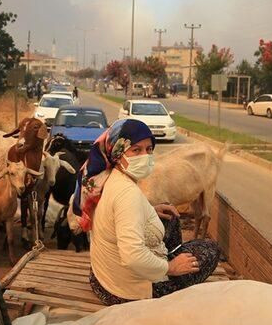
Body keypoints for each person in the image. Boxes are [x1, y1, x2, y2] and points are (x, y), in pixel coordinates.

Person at [72, 119, 221, 305]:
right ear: (118, 153)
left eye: (149, 149)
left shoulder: (105, 179)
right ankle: (169, 271)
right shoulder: (128, 195)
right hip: (126, 292)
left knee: (170, 217)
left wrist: (149, 210)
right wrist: (171, 267)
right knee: (210, 249)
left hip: (102, 278)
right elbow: (132, 255)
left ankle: (167, 257)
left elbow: (117, 214)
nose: (145, 156)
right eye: (136, 150)